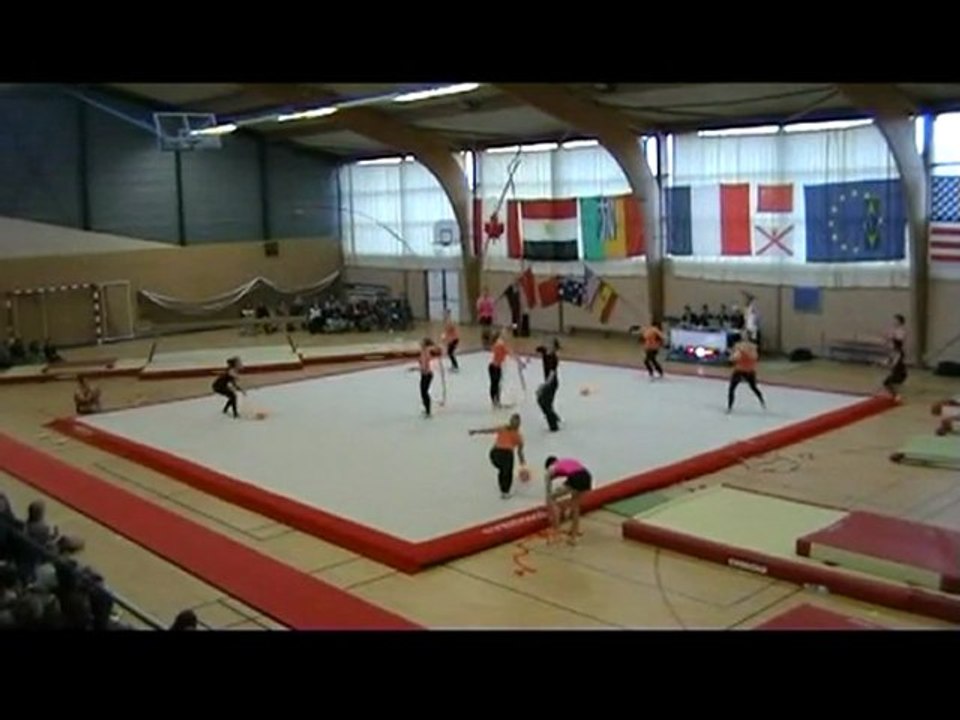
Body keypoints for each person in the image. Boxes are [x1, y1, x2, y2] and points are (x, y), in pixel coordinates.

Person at [469, 413, 526, 499]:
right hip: (501, 453)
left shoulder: (511, 432)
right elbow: (520, 451)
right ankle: (505, 491)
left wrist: (475, 431)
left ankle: (504, 490)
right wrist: (476, 431)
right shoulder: (510, 432)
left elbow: (520, 451)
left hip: (496, 453)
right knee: (506, 472)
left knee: (504, 471)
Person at [544, 456, 592, 544]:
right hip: (587, 477)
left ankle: (556, 533)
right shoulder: (566, 462)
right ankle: (573, 538)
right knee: (575, 507)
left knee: (552, 498)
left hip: (576, 478)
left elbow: (548, 492)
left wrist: (550, 512)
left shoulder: (551, 468)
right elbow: (573, 473)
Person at [488, 329, 524, 410]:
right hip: (494, 367)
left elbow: (510, 353)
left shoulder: (501, 344)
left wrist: (519, 361)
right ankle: (495, 401)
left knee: (497, 384)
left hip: (497, 367)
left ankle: (496, 401)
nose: (507, 336)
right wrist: (519, 361)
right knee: (495, 384)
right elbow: (510, 353)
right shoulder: (500, 344)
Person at [408, 338, 445, 417]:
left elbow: (425, 365)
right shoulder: (424, 352)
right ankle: (426, 409)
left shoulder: (426, 352)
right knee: (423, 393)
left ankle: (428, 411)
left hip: (427, 375)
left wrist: (415, 369)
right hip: (424, 374)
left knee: (425, 393)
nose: (420, 344)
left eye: (422, 343)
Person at [727, 338, 765, 414]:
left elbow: (733, 358)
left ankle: (729, 407)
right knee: (753, 387)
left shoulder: (739, 346)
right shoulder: (753, 347)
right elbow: (755, 358)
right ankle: (762, 401)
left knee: (732, 389)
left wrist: (733, 355)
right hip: (749, 370)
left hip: (740, 370)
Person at [535, 338, 561, 432]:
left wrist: (543, 386)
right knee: (547, 403)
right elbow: (538, 349)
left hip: (551, 383)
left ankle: (553, 426)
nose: (546, 344)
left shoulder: (553, 358)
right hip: (549, 382)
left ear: (553, 347)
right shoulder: (545, 351)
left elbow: (551, 374)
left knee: (543, 402)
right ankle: (554, 418)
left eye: (549, 343)